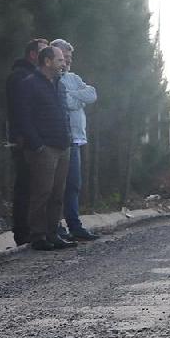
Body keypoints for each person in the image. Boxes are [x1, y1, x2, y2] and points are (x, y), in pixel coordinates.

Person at [16, 46, 76, 251]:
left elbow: (64, 113)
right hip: (44, 148)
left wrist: (67, 137)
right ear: (47, 61)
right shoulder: (29, 84)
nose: (64, 63)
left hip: (62, 146)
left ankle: (53, 233)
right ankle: (38, 236)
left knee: (58, 193)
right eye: (59, 60)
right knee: (42, 192)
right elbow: (23, 117)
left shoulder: (59, 84)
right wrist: (37, 145)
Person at [50, 39, 99, 241]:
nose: (67, 61)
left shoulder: (72, 78)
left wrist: (74, 95)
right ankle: (55, 225)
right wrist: (76, 98)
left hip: (77, 139)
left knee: (74, 184)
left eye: (69, 58)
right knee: (56, 186)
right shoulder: (52, 80)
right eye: (64, 57)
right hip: (61, 139)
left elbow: (92, 94)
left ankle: (74, 225)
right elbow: (66, 103)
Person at [5, 38, 50, 245]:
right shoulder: (20, 77)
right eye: (43, 52)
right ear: (33, 54)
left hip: (38, 138)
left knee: (36, 187)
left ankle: (35, 230)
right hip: (25, 140)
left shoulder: (37, 76)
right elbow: (19, 111)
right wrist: (23, 137)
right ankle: (22, 233)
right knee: (24, 186)